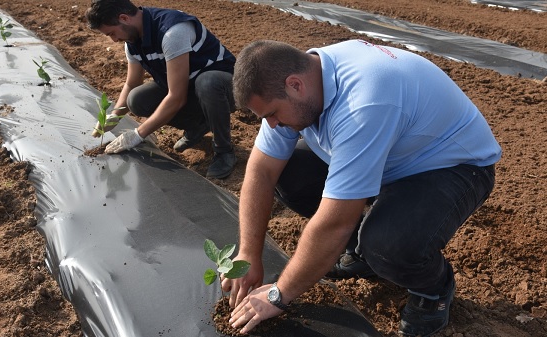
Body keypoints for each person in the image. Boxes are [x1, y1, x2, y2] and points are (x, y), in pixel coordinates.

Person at [222, 39, 501, 337]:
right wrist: (249, 254)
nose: (273, 125)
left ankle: (433, 290)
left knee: (386, 244)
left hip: (453, 166)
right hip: (392, 156)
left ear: (295, 85)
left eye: (273, 114)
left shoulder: (363, 103)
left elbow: (335, 223)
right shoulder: (300, 80)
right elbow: (262, 171)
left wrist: (278, 294)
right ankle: (363, 256)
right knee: (289, 175)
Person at [85, 0, 237, 179]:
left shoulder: (172, 32)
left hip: (226, 89)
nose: (114, 40)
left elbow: (176, 97)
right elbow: (132, 83)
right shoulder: (132, 41)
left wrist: (137, 134)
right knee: (137, 100)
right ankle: (197, 125)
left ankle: (224, 151)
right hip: (189, 88)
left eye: (112, 33)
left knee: (207, 82)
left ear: (124, 18)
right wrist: (115, 116)